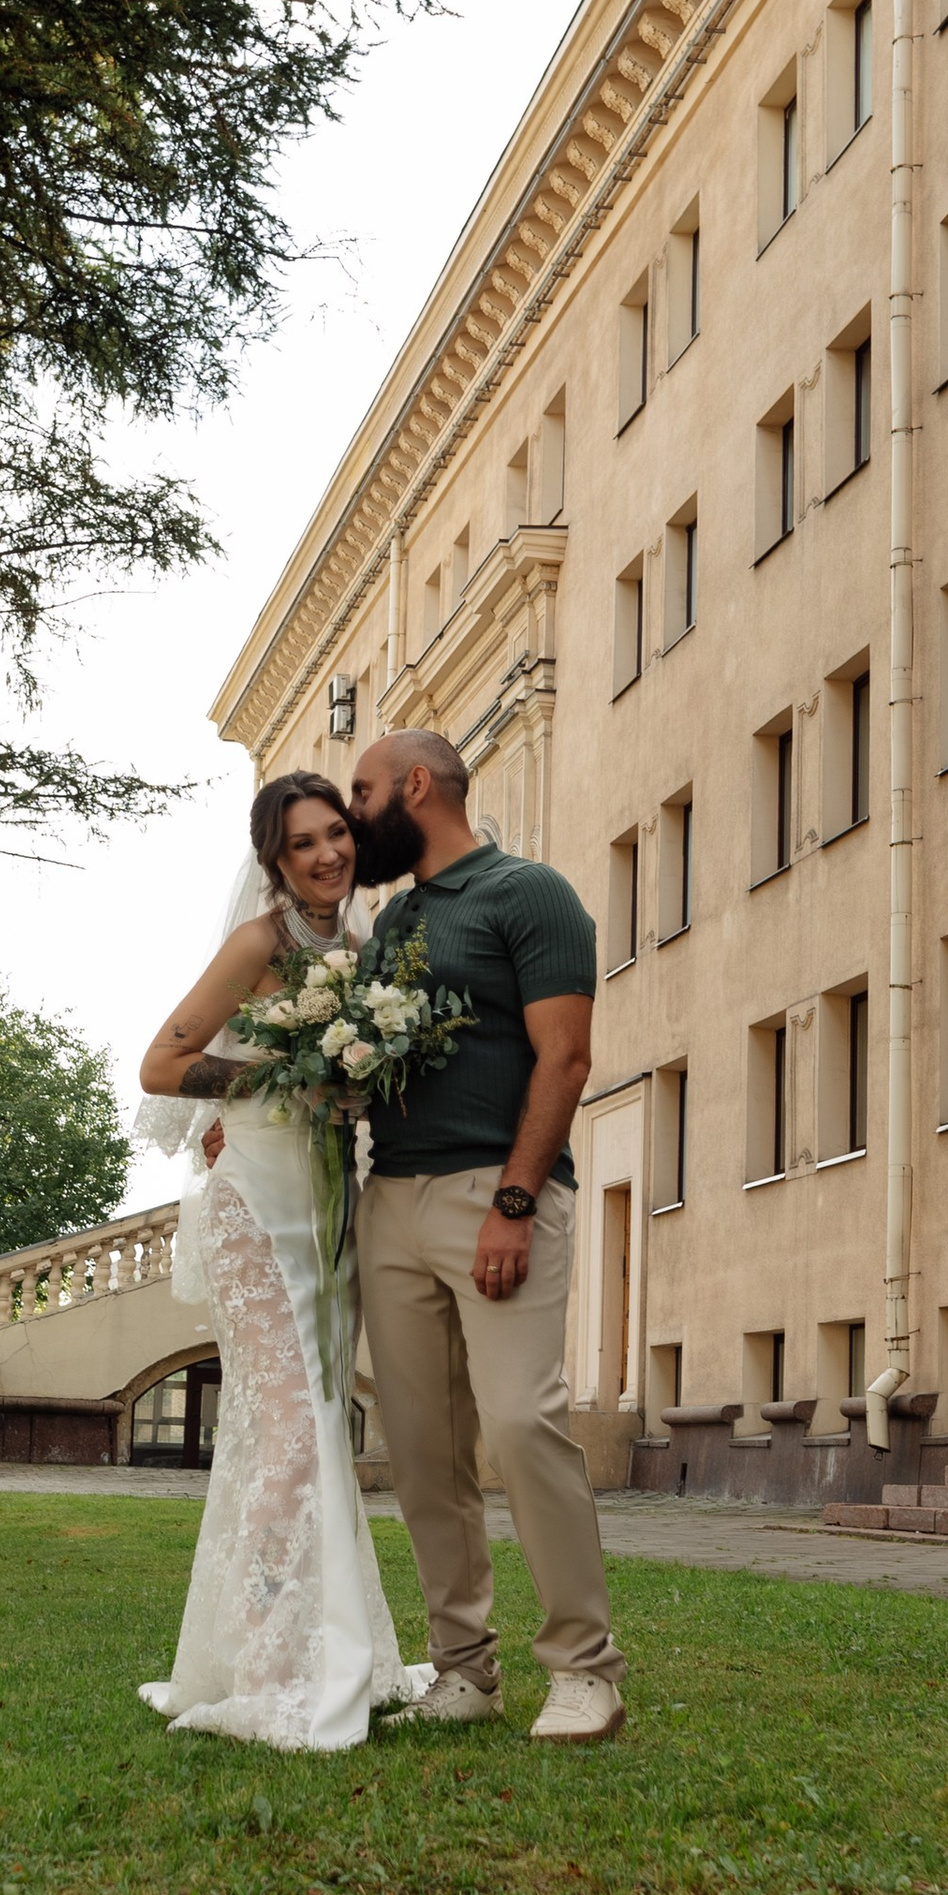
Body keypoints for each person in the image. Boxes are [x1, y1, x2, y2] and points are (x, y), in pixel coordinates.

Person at [131, 774, 434, 1752]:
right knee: (293, 1434)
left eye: (334, 835)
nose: (324, 855)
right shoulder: (259, 943)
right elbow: (163, 1064)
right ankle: (267, 1668)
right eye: (300, 843)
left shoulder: (354, 951)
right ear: (273, 860)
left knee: (311, 1437)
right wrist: (276, 1070)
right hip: (257, 1216)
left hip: (325, 1217)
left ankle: (329, 1645)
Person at [345, 729, 627, 1745]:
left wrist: (513, 1202)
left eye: (364, 789)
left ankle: (584, 1669)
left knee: (520, 1422)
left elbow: (566, 1056)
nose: (352, 810)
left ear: (416, 786)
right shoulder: (392, 922)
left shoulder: (529, 892)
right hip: (392, 1201)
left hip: (496, 1195)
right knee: (422, 1452)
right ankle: (464, 1669)